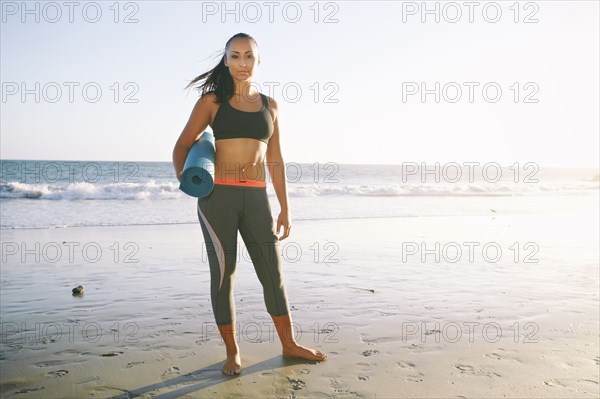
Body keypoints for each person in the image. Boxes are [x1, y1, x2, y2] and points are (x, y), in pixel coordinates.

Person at [172, 33, 327, 376]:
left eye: (248, 57)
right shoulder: (211, 101)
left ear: (259, 61)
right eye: (235, 56)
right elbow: (182, 145)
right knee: (223, 275)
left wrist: (285, 207)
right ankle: (232, 352)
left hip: (257, 197)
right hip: (218, 199)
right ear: (226, 60)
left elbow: (275, 159)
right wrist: (188, 179)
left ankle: (289, 344)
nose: (242, 63)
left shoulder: (270, 106)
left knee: (272, 273)